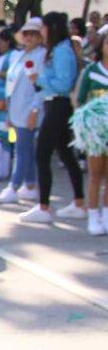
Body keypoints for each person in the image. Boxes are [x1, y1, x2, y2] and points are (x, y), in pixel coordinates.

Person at [19, 11, 85, 225]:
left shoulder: (62, 51)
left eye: (44, 28)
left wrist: (41, 79)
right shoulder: (58, 49)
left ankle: (44, 206)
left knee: (42, 153)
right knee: (65, 153)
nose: (42, 32)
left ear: (52, 28)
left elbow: (64, 84)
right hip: (53, 103)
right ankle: (78, 202)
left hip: (58, 103)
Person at [0, 18, 46, 205]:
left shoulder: (42, 56)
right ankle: (30, 185)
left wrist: (35, 109)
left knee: (21, 149)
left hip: (30, 109)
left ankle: (14, 186)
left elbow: (40, 87)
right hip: (15, 109)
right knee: (25, 149)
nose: (29, 37)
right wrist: (9, 110)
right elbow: (11, 85)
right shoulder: (18, 56)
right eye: (26, 33)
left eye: (34, 34)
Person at [74, 35, 108, 235]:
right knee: (95, 175)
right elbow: (79, 100)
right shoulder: (92, 71)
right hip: (96, 133)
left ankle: (106, 215)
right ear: (101, 45)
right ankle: (93, 217)